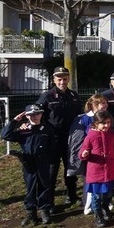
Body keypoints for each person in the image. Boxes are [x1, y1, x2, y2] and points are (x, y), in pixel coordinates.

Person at [1, 104, 55, 226]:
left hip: (43, 162)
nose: (34, 117)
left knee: (44, 186)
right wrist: (15, 121)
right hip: (28, 163)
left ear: (41, 114)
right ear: (26, 116)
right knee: (30, 187)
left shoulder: (47, 129)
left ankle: (45, 211)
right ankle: (31, 212)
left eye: (37, 114)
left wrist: (49, 159)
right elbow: (5, 135)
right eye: (31, 115)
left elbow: (52, 146)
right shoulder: (23, 130)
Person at [36, 66, 82, 208]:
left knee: (71, 168)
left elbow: (79, 115)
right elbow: (37, 114)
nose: (62, 82)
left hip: (70, 139)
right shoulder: (47, 96)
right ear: (54, 80)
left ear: (68, 79)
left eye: (65, 79)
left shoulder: (74, 96)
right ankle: (49, 201)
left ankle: (72, 195)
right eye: (59, 79)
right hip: (53, 140)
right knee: (51, 171)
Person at [67, 94, 108, 216]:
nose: (105, 105)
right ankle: (88, 203)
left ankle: (104, 201)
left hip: (104, 154)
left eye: (106, 103)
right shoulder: (85, 119)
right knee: (89, 179)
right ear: (94, 105)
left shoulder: (106, 116)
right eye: (102, 103)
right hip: (90, 156)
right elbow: (78, 139)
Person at [79, 111, 114, 228]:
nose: (106, 125)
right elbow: (82, 152)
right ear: (96, 124)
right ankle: (97, 213)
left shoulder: (111, 134)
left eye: (108, 123)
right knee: (96, 196)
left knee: (108, 193)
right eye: (103, 123)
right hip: (96, 171)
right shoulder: (90, 136)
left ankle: (105, 208)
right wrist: (84, 154)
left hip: (110, 169)